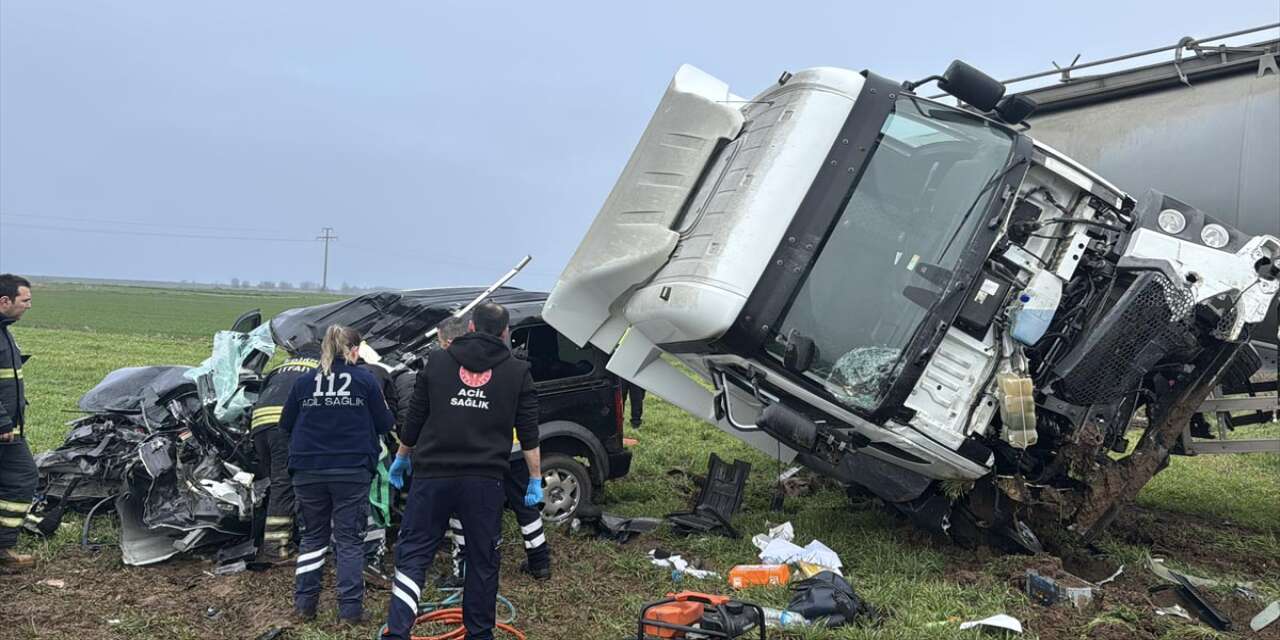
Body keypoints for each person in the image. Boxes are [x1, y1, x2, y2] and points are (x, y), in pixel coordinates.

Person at [381, 303, 541, 640]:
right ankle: (479, 634)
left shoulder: (438, 361)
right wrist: (535, 478)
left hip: (432, 474)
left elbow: (416, 416)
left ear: (470, 327)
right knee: (483, 558)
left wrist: (402, 456)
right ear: (505, 332)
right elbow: (529, 433)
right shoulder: (517, 371)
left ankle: (397, 633)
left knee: (414, 554)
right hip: (484, 480)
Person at [279, 325, 394, 625]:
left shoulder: (304, 382)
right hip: (351, 471)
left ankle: (304, 607)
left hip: (307, 470)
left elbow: (286, 423)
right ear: (354, 350)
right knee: (349, 541)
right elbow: (385, 423)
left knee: (312, 538)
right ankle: (350, 612)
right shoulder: (366, 380)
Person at [437, 315, 551, 585]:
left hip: (482, 454)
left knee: (462, 510)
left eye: (441, 342)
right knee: (526, 505)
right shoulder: (508, 364)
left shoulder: (455, 367)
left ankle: (463, 569)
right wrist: (535, 474)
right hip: (514, 449)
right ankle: (540, 561)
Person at [249, 348, 320, 562]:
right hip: (284, 426)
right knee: (284, 484)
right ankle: (276, 548)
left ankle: (267, 536)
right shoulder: (320, 368)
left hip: (259, 426)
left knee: (274, 482)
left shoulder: (280, 368)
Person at [0, 274, 35, 571]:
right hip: (3, 429)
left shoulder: (4, 332)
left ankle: (3, 548)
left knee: (22, 477)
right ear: (5, 301)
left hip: (10, 430)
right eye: (25, 300)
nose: (29, 305)